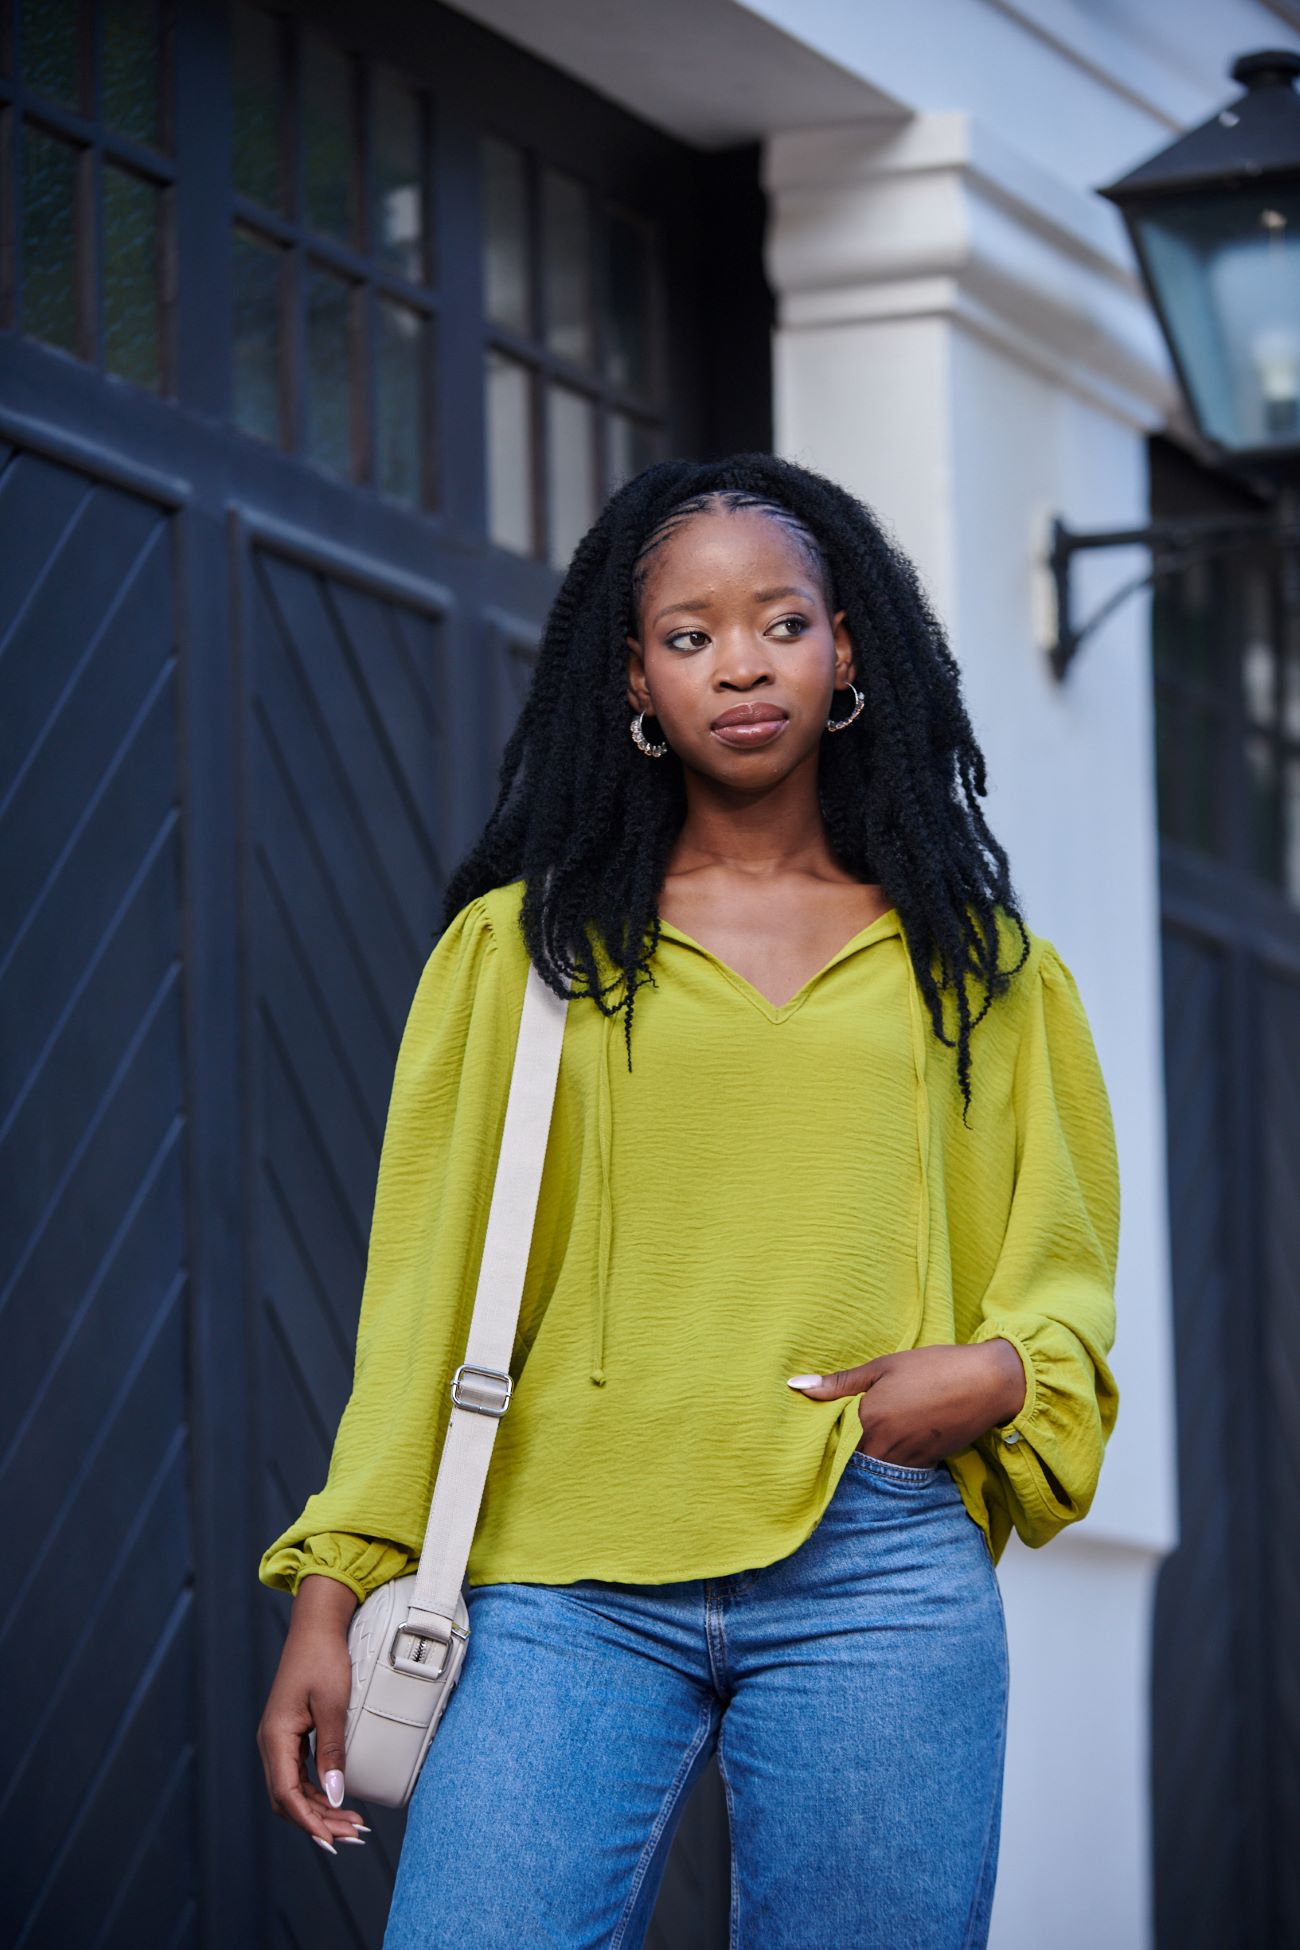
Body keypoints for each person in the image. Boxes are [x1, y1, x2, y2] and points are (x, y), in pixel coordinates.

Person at [255, 452, 1121, 1949]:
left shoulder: (978, 970)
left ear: (848, 648)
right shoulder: (523, 954)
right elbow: (423, 1296)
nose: (741, 665)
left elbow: (1058, 1262)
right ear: (634, 681)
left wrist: (996, 1374)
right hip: (564, 1571)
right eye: (690, 634)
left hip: (879, 1563)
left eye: (782, 623)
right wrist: (334, 1587)